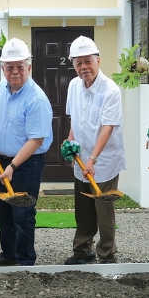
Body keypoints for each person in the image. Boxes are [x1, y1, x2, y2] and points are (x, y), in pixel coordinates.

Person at [0, 38, 52, 267]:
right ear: (3, 69)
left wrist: (12, 167)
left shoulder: (36, 99)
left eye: (20, 66)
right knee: (4, 210)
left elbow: (36, 140)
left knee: (23, 212)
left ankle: (26, 260)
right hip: (3, 160)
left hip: (27, 164)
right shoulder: (3, 87)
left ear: (29, 67)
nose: (15, 71)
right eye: (9, 67)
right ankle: (9, 254)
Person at [63, 36, 126, 265]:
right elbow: (74, 118)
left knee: (103, 209)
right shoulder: (73, 85)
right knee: (83, 208)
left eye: (88, 61)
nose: (83, 67)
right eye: (78, 63)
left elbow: (107, 127)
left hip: (104, 159)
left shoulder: (110, 90)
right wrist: (70, 141)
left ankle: (107, 254)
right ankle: (82, 251)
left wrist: (93, 159)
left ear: (98, 61)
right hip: (81, 158)